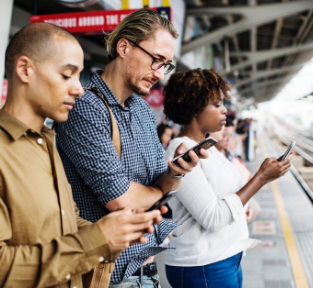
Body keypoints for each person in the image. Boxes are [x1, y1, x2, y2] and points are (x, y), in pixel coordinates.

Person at [0, 23, 165, 288]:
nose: (79, 89)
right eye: (66, 75)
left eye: (78, 76)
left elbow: (65, 223)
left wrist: (118, 231)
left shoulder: (45, 144)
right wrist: (96, 239)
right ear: (25, 70)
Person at [56, 9, 207, 288]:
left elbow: (162, 189)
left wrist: (176, 172)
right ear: (124, 46)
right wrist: (161, 188)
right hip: (108, 276)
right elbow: (121, 199)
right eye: (156, 60)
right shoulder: (85, 108)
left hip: (146, 272)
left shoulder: (143, 111)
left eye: (166, 65)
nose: (159, 74)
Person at [162, 68, 293, 288]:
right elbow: (213, 217)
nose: (225, 111)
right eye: (217, 104)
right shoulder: (181, 151)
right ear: (195, 107)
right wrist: (261, 178)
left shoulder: (208, 149)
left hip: (225, 259)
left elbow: (229, 195)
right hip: (203, 266)